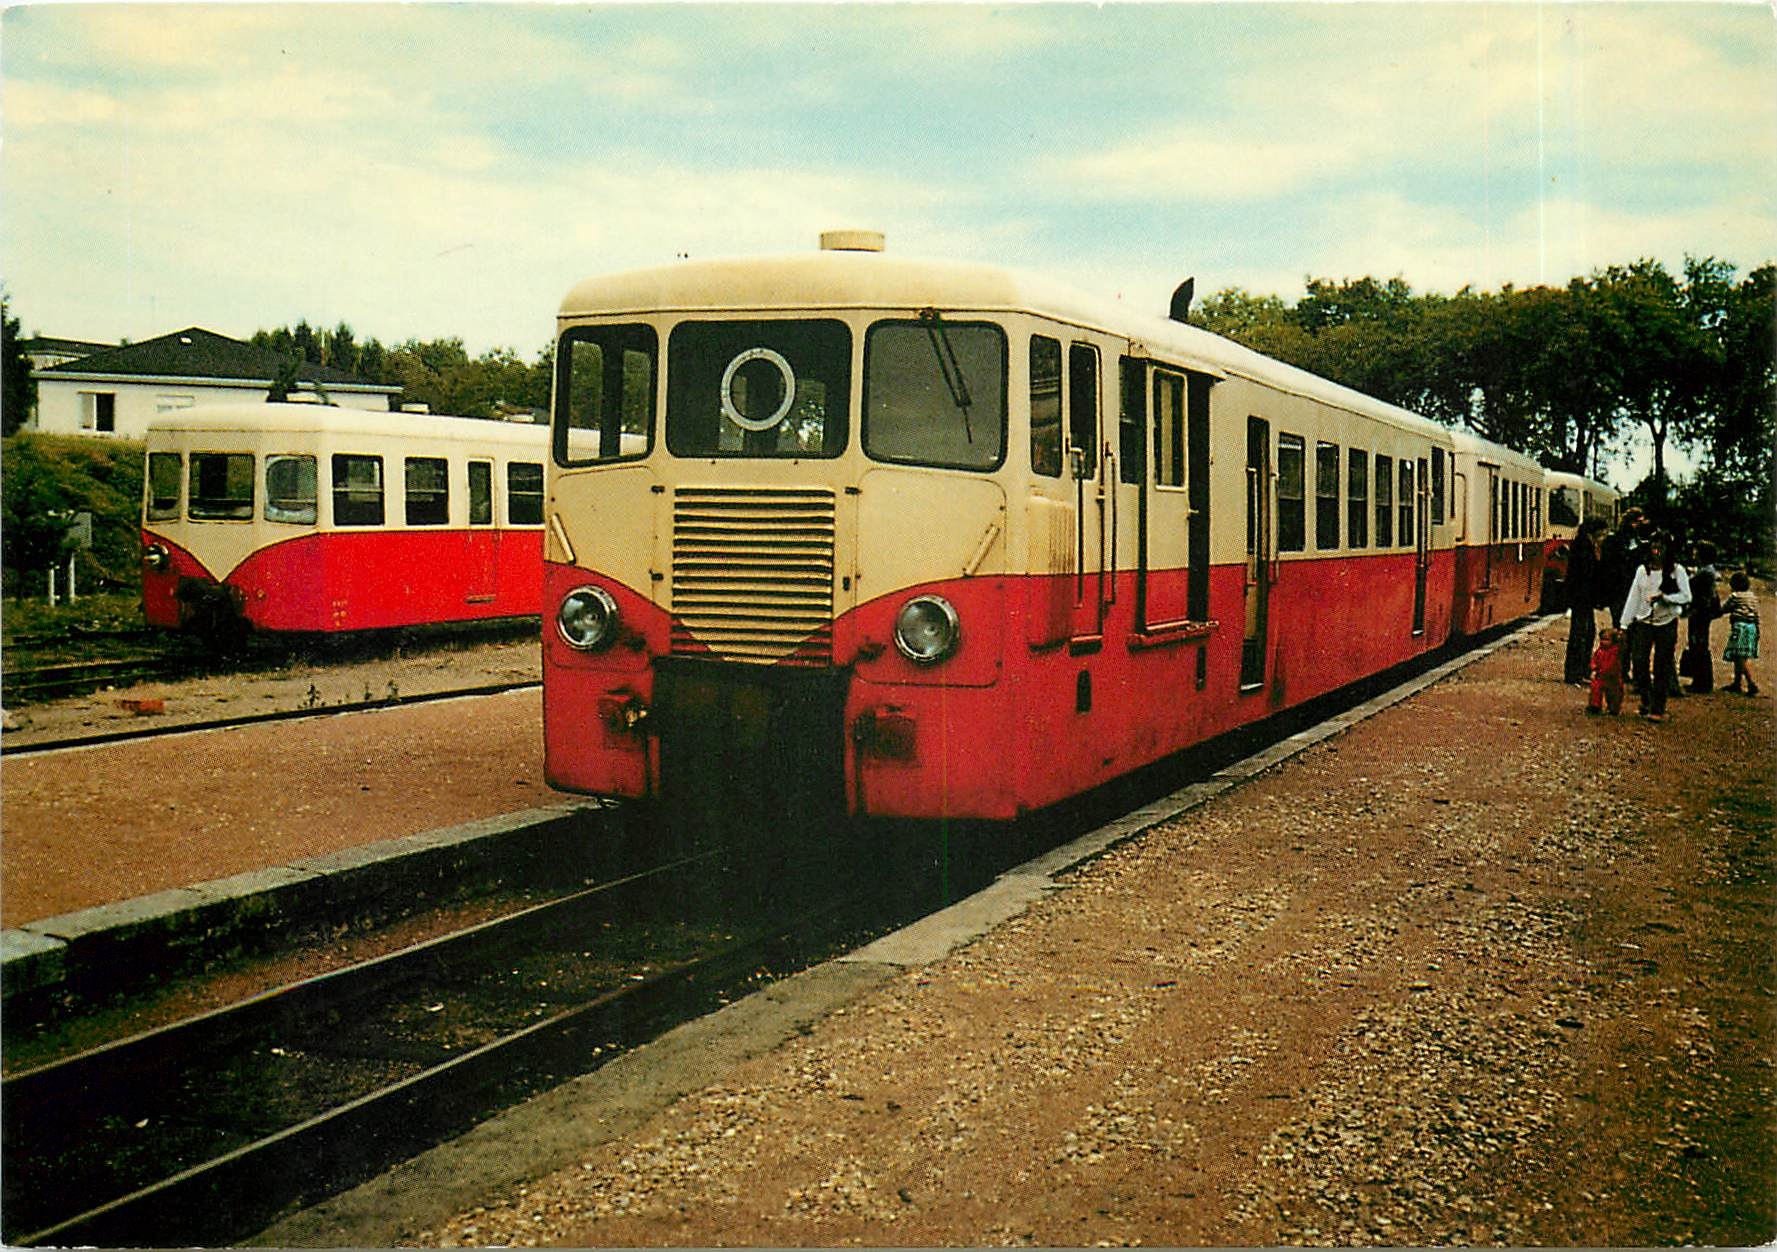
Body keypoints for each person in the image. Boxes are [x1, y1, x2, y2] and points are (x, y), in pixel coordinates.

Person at [1619, 533, 1690, 722]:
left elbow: (1686, 596)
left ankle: (1658, 707)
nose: (1656, 552)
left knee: (1662, 665)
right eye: (1653, 548)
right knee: (1639, 662)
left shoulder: (1677, 571)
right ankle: (1646, 698)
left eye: (1660, 548)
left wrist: (1665, 598)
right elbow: (1633, 597)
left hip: (1666, 621)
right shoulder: (1642, 571)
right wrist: (1624, 624)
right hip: (1644, 621)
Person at [1599, 510, 1650, 694]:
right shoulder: (1616, 542)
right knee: (1623, 631)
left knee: (1634, 632)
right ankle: (1621, 668)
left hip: (1634, 592)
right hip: (1619, 591)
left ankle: (1629, 669)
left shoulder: (1640, 542)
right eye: (1637, 522)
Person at [1564, 519, 1606, 685]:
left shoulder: (1582, 545)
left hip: (1581, 598)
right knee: (1582, 634)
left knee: (1584, 633)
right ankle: (1576, 672)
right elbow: (1587, 574)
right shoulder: (1585, 549)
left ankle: (1579, 670)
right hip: (1582, 598)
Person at [1685, 541, 1722, 693]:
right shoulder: (1708, 571)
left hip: (1700, 612)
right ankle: (1700, 680)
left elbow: (1695, 589)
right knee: (1699, 644)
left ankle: (1701, 682)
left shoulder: (1705, 573)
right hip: (1703, 611)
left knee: (1698, 644)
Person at [1721, 571, 1761, 696]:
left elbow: (1725, 608)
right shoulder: (1753, 597)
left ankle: (1750, 682)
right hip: (1752, 627)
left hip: (1740, 627)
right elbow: (1756, 614)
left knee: (1738, 657)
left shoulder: (1735, 596)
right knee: (1742, 656)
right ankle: (1737, 683)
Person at [1588, 626, 1626, 716]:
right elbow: (1594, 660)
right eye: (1602, 639)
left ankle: (1613, 708)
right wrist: (1594, 668)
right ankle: (1595, 706)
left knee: (1614, 694)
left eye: (1607, 639)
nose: (1603, 642)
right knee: (1595, 690)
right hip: (1601, 675)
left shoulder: (1615, 651)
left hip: (1612, 676)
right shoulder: (1600, 651)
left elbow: (1611, 664)